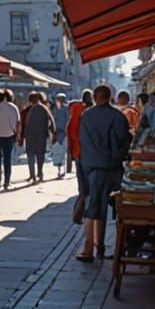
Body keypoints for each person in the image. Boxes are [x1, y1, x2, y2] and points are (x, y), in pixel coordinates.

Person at [76, 85, 132, 262]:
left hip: (94, 167)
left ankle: (90, 247)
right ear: (110, 97)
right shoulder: (118, 116)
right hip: (114, 167)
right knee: (117, 209)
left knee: (93, 207)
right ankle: (110, 246)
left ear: (94, 97)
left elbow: (83, 142)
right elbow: (125, 140)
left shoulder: (87, 116)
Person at [0, 89, 21, 189]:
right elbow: (18, 122)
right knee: (7, 159)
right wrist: (17, 134)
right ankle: (7, 182)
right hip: (10, 135)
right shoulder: (14, 107)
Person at [20, 92, 55, 183]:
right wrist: (52, 133)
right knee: (40, 156)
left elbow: (23, 123)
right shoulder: (44, 109)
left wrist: (21, 136)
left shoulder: (28, 110)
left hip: (30, 136)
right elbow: (51, 122)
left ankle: (32, 175)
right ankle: (39, 173)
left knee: (31, 156)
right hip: (41, 136)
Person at [67, 89, 91, 223]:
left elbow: (70, 131)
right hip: (88, 152)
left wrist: (71, 151)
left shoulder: (75, 111)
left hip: (77, 151)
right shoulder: (90, 113)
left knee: (82, 187)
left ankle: (78, 214)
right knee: (88, 187)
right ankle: (81, 214)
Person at [51, 94, 70, 178]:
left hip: (64, 133)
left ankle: (63, 170)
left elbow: (68, 119)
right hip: (57, 133)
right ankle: (59, 170)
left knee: (63, 153)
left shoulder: (66, 109)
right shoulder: (55, 109)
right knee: (57, 152)